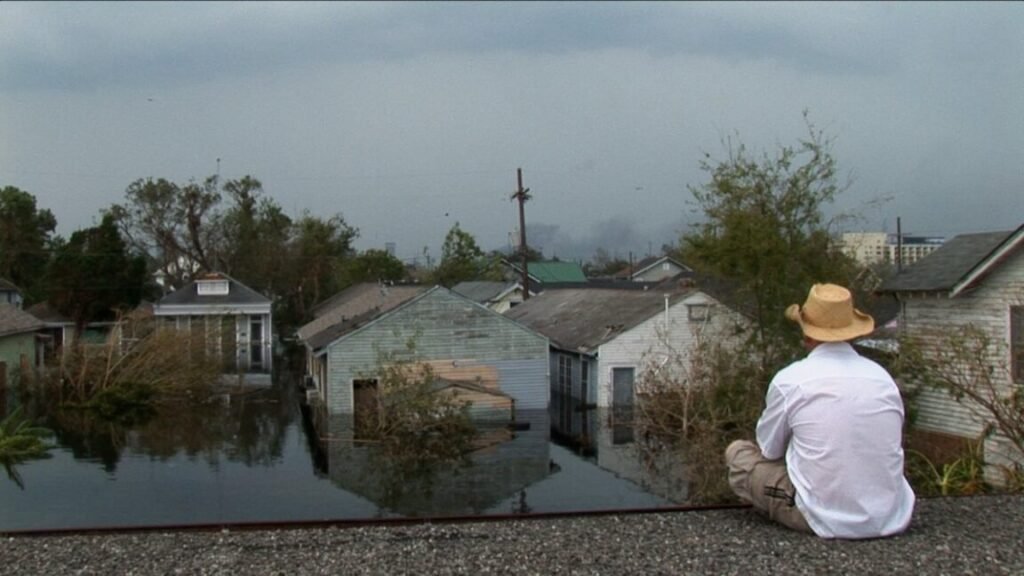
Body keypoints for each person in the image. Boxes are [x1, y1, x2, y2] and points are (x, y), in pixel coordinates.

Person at [724, 283, 915, 539]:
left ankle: (805, 505)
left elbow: (769, 450)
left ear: (807, 334)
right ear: (852, 333)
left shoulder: (791, 379)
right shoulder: (882, 378)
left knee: (738, 454)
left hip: (821, 516)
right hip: (892, 514)